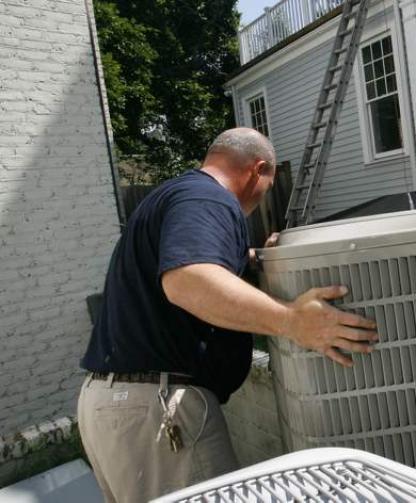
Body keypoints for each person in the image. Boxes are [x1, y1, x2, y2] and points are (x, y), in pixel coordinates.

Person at [78, 128, 378, 502]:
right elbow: (187, 281)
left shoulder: (178, 195)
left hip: (118, 405)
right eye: (268, 184)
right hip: (155, 408)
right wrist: (295, 322)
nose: (265, 193)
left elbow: (195, 264)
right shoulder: (210, 199)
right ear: (259, 170)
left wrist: (256, 258)